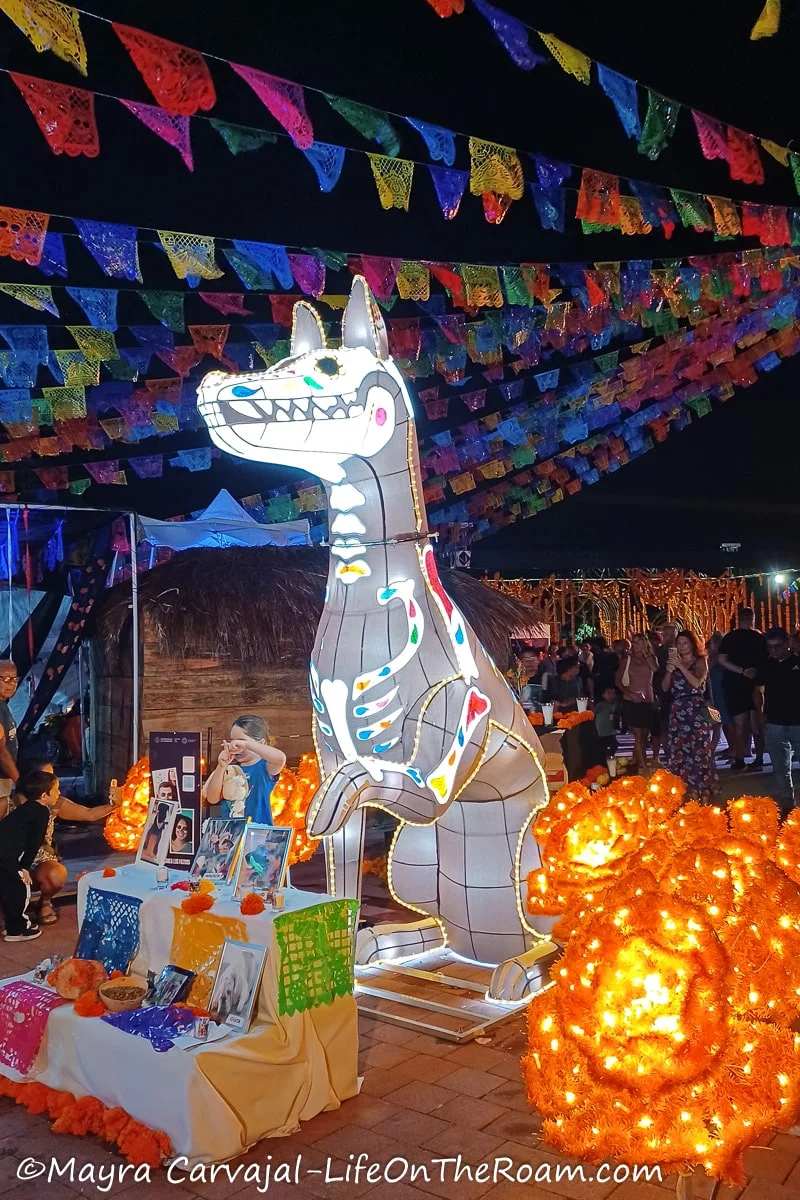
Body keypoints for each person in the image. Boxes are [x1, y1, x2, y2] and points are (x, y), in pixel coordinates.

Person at [7, 761, 113, 925]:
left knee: (56, 873)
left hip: (38, 861)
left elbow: (89, 814)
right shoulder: (7, 804)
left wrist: (115, 804)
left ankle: (45, 902)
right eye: (48, 777)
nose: (55, 783)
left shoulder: (54, 802)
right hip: (10, 862)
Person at [0, 769, 61, 941]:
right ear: (44, 795)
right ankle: (18, 930)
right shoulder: (41, 812)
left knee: (8, 888)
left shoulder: (27, 808)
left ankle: (12, 925)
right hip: (7, 855)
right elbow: (34, 843)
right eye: (56, 790)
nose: (59, 793)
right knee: (20, 889)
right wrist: (24, 868)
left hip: (5, 853)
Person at [662, 631, 717, 801]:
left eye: (685, 643)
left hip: (696, 707)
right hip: (678, 708)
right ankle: (684, 788)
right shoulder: (675, 662)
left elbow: (696, 683)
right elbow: (664, 688)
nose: (681, 646)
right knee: (679, 748)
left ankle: (702, 787)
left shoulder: (700, 661)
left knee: (699, 748)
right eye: (679, 643)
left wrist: (681, 666)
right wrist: (669, 671)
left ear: (692, 644)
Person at [205, 715, 286, 824]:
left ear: (261, 743)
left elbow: (280, 759)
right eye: (233, 741)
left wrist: (247, 745)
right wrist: (221, 766)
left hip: (257, 831)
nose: (235, 746)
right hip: (231, 831)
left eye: (241, 741)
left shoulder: (265, 767)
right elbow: (212, 798)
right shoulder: (230, 769)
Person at [718, 608, 768, 772]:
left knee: (740, 724)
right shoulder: (760, 638)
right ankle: (758, 758)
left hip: (736, 683)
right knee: (756, 723)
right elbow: (767, 660)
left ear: (738, 619)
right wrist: (753, 671)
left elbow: (722, 660)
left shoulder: (730, 638)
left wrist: (741, 671)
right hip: (756, 683)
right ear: (753, 619)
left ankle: (740, 759)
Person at [759, 629, 800, 815]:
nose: (774, 651)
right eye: (770, 647)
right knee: (780, 766)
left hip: (797, 722)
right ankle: (787, 802)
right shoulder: (767, 665)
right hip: (775, 721)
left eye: (778, 646)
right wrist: (760, 712)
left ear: (787, 644)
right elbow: (758, 689)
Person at [615, 633, 659, 774]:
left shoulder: (651, 658)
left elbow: (656, 669)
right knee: (638, 735)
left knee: (645, 735)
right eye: (634, 642)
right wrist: (630, 694)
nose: (635, 645)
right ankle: (644, 768)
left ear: (645, 643)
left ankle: (636, 761)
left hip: (648, 700)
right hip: (631, 700)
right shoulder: (627, 659)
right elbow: (618, 681)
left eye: (638, 642)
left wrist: (646, 653)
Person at [707, 633, 734, 761]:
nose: (708, 647)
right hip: (712, 698)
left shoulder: (721, 660)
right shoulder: (711, 659)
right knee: (716, 724)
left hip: (721, 697)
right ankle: (728, 747)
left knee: (726, 723)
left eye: (710, 644)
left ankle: (734, 748)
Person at [0, 661, 19, 814]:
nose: (11, 684)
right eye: (6, 679)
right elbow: (1, 751)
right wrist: (19, 780)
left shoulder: (3, 705)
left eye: (14, 678)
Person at [593, 685, 620, 759]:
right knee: (602, 747)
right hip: (602, 732)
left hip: (611, 731)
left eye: (613, 693)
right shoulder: (601, 705)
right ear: (603, 695)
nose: (611, 696)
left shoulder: (615, 704)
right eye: (608, 693)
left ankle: (609, 757)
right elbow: (593, 712)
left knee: (614, 745)